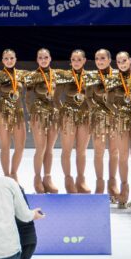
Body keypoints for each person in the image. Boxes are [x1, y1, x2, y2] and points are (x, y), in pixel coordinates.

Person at [24, 48, 60, 194]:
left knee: (50, 148)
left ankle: (47, 178)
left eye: (46, 57)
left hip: (53, 114)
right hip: (38, 115)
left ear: (50, 58)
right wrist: (31, 113)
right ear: (37, 60)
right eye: (40, 57)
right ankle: (37, 178)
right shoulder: (33, 76)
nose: (43, 60)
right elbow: (27, 99)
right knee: (41, 148)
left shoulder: (56, 75)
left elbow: (57, 97)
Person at [55, 50, 91, 193]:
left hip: (85, 117)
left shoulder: (90, 77)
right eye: (73, 59)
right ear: (70, 61)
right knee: (67, 150)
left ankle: (81, 180)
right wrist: (63, 111)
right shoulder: (64, 76)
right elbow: (55, 98)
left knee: (81, 151)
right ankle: (68, 180)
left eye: (79, 59)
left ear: (84, 60)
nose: (76, 62)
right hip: (68, 117)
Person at [107, 51, 131, 208]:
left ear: (130, 60)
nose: (122, 64)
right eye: (119, 62)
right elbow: (108, 101)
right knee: (123, 156)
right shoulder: (113, 78)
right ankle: (123, 192)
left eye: (124, 60)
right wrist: (118, 113)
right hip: (121, 122)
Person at [0, 49, 27, 183]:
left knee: (20, 146)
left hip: (18, 113)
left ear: (16, 59)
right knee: (5, 146)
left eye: (11, 58)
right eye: (6, 58)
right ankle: (6, 175)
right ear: (2, 60)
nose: (9, 61)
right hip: (3, 114)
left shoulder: (22, 75)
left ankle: (13, 172)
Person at [89, 49, 120, 201]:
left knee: (114, 151)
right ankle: (100, 184)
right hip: (98, 119)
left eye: (102, 58)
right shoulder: (92, 76)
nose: (99, 61)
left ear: (109, 59)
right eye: (97, 58)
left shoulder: (118, 75)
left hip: (115, 118)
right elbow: (88, 98)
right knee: (98, 152)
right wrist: (98, 111)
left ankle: (113, 183)